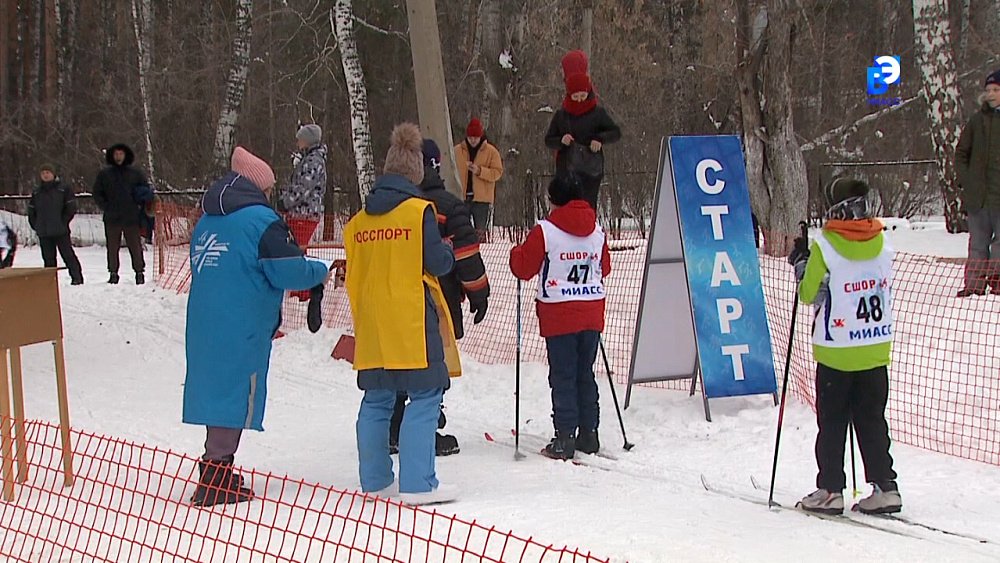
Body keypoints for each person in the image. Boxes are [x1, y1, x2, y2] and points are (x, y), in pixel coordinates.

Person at [183, 146, 331, 508]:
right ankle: (217, 475)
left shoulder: (208, 220)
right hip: (242, 321)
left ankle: (213, 465)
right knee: (234, 392)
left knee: (217, 388)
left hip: (205, 318)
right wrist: (318, 271)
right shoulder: (259, 221)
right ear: (258, 187)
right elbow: (287, 269)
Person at [345, 123, 459, 506]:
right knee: (426, 395)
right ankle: (418, 483)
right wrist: (446, 248)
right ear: (417, 172)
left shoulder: (359, 222)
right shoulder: (417, 213)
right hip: (410, 317)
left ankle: (375, 480)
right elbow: (437, 263)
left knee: (377, 398)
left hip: (373, 319)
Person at [789, 178, 902, 516]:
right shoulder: (882, 242)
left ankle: (831, 489)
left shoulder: (826, 246)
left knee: (834, 422)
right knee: (872, 420)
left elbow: (810, 294)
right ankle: (885, 486)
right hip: (874, 346)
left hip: (837, 350)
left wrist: (801, 263)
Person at [388, 139, 491, 457]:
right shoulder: (448, 206)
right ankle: (423, 430)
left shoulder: (386, 204)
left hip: (389, 298)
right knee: (431, 367)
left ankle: (393, 426)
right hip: (436, 299)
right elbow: (465, 255)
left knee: (395, 363)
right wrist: (478, 292)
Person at [509, 175, 611, 460]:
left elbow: (524, 268)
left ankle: (565, 436)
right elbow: (604, 267)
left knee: (563, 375)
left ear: (554, 200)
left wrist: (515, 253)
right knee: (584, 373)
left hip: (559, 313)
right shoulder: (597, 231)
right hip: (591, 309)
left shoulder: (546, 230)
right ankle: (589, 434)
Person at [544, 65, 621, 212]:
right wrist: (561, 141)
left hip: (590, 171)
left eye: (583, 96)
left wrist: (599, 139)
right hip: (566, 170)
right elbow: (549, 140)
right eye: (575, 97)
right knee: (566, 209)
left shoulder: (597, 114)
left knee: (587, 208)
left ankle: (588, 232)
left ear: (589, 93)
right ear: (569, 95)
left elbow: (615, 133)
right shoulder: (561, 116)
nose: (579, 100)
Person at [955, 69, 1000, 297]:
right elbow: (961, 153)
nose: (991, 94)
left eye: (996, 90)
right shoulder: (976, 121)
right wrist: (967, 180)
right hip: (979, 197)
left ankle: (997, 283)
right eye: (988, 90)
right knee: (978, 245)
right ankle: (974, 286)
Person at [280, 123, 329, 301]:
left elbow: (302, 188)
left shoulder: (313, 162)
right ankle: (300, 288)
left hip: (304, 214)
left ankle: (303, 290)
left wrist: (285, 202)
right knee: (297, 249)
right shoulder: (310, 159)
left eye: (300, 138)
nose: (297, 141)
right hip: (303, 213)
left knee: (297, 250)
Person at [92, 143, 148, 285]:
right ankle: (113, 273)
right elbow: (97, 193)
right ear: (112, 156)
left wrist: (140, 206)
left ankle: (139, 273)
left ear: (126, 155)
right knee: (112, 247)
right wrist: (106, 206)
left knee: (135, 246)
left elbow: (145, 191)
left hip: (131, 216)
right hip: (112, 217)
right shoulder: (104, 174)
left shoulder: (135, 173)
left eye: (121, 154)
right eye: (116, 154)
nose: (118, 157)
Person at [28, 164, 84, 284]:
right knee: (48, 258)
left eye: (48, 172)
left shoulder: (63, 189)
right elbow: (32, 210)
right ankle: (50, 282)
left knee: (68, 255)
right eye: (43, 173)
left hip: (60, 230)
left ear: (53, 174)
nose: (45, 175)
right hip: (44, 231)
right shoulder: (37, 192)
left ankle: (77, 278)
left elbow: (70, 208)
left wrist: (63, 222)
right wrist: (36, 224)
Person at [453, 118, 503, 235]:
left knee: (480, 233)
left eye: (475, 137)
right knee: (461, 231)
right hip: (461, 197)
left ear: (481, 136)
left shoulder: (492, 152)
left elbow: (497, 173)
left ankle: (480, 252)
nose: (473, 140)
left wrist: (480, 171)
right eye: (470, 137)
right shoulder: (456, 151)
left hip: (482, 200)